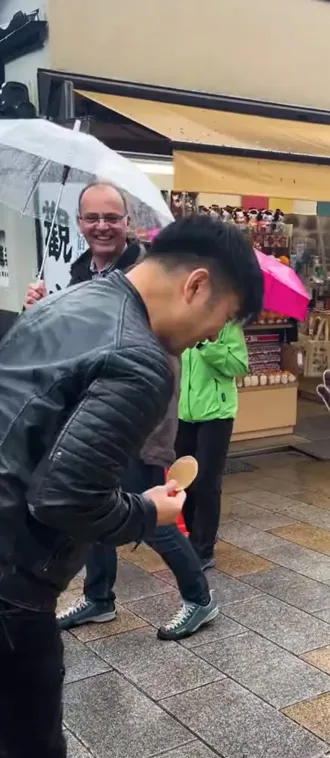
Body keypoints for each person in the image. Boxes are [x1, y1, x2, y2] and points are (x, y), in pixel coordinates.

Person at [0, 216, 262, 758]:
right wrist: (147, 511)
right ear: (196, 284)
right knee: (30, 749)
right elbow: (65, 497)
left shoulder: (72, 301)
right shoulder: (143, 358)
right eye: (219, 319)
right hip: (11, 574)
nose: (211, 338)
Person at [27, 182, 216, 641]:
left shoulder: (153, 272)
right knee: (87, 504)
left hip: (138, 413)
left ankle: (199, 597)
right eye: (92, 218)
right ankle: (99, 597)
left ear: (127, 223)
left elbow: (162, 339)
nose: (102, 226)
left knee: (150, 512)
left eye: (112, 217)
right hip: (87, 409)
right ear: (80, 223)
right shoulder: (77, 272)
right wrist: (41, 309)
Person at [176, 322, 249, 569]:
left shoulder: (228, 326)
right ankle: (193, 537)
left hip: (217, 414)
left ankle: (203, 548)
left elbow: (239, 366)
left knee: (207, 481)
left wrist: (206, 343)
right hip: (184, 413)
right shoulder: (183, 322)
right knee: (183, 480)